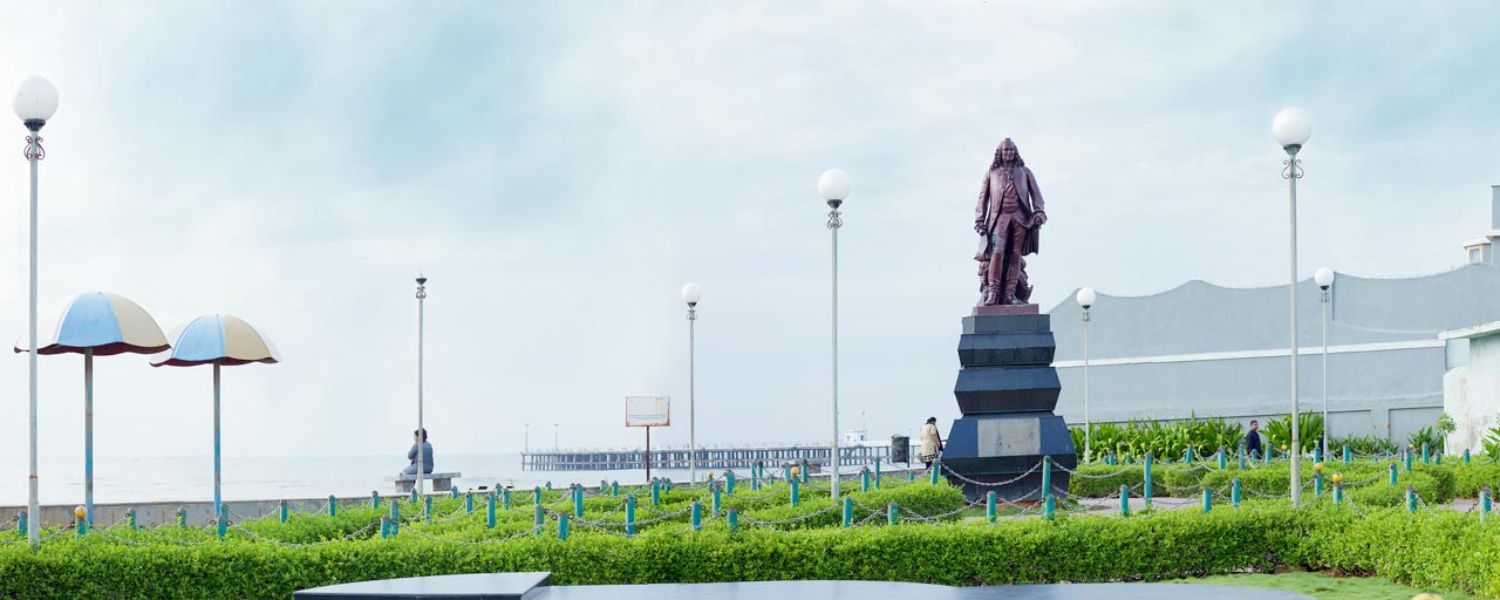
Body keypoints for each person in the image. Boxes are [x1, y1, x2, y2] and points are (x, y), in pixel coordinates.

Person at [973, 138, 1047, 306]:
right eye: (1005, 150)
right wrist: (979, 220)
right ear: (1000, 153)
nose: (1009, 153)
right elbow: (982, 200)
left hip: (1020, 219)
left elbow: (1037, 197)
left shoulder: (1025, 172)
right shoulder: (991, 174)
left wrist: (1039, 213)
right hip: (999, 219)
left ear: (1016, 152)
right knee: (996, 254)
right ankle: (992, 293)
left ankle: (1010, 295)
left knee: (1015, 255)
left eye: (1011, 150)